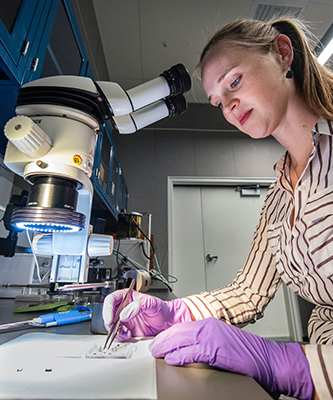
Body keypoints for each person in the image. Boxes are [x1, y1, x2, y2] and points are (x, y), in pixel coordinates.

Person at [103, 17, 333, 400]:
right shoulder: (278, 198)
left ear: (282, 53)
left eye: (235, 82)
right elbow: (248, 292)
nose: (228, 105)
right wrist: (172, 313)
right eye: (217, 101)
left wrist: (287, 365)